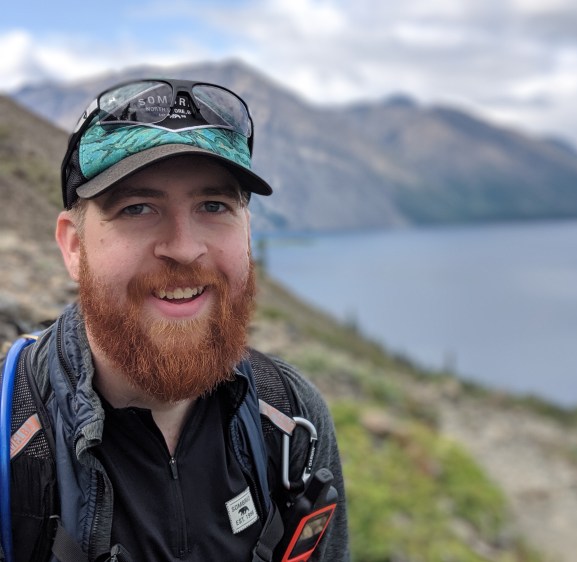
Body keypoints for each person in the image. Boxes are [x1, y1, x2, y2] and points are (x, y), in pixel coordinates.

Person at [1, 79, 348, 561]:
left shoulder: (292, 419)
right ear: (74, 247)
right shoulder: (12, 433)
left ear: (247, 234)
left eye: (214, 206)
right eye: (137, 208)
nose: (184, 248)